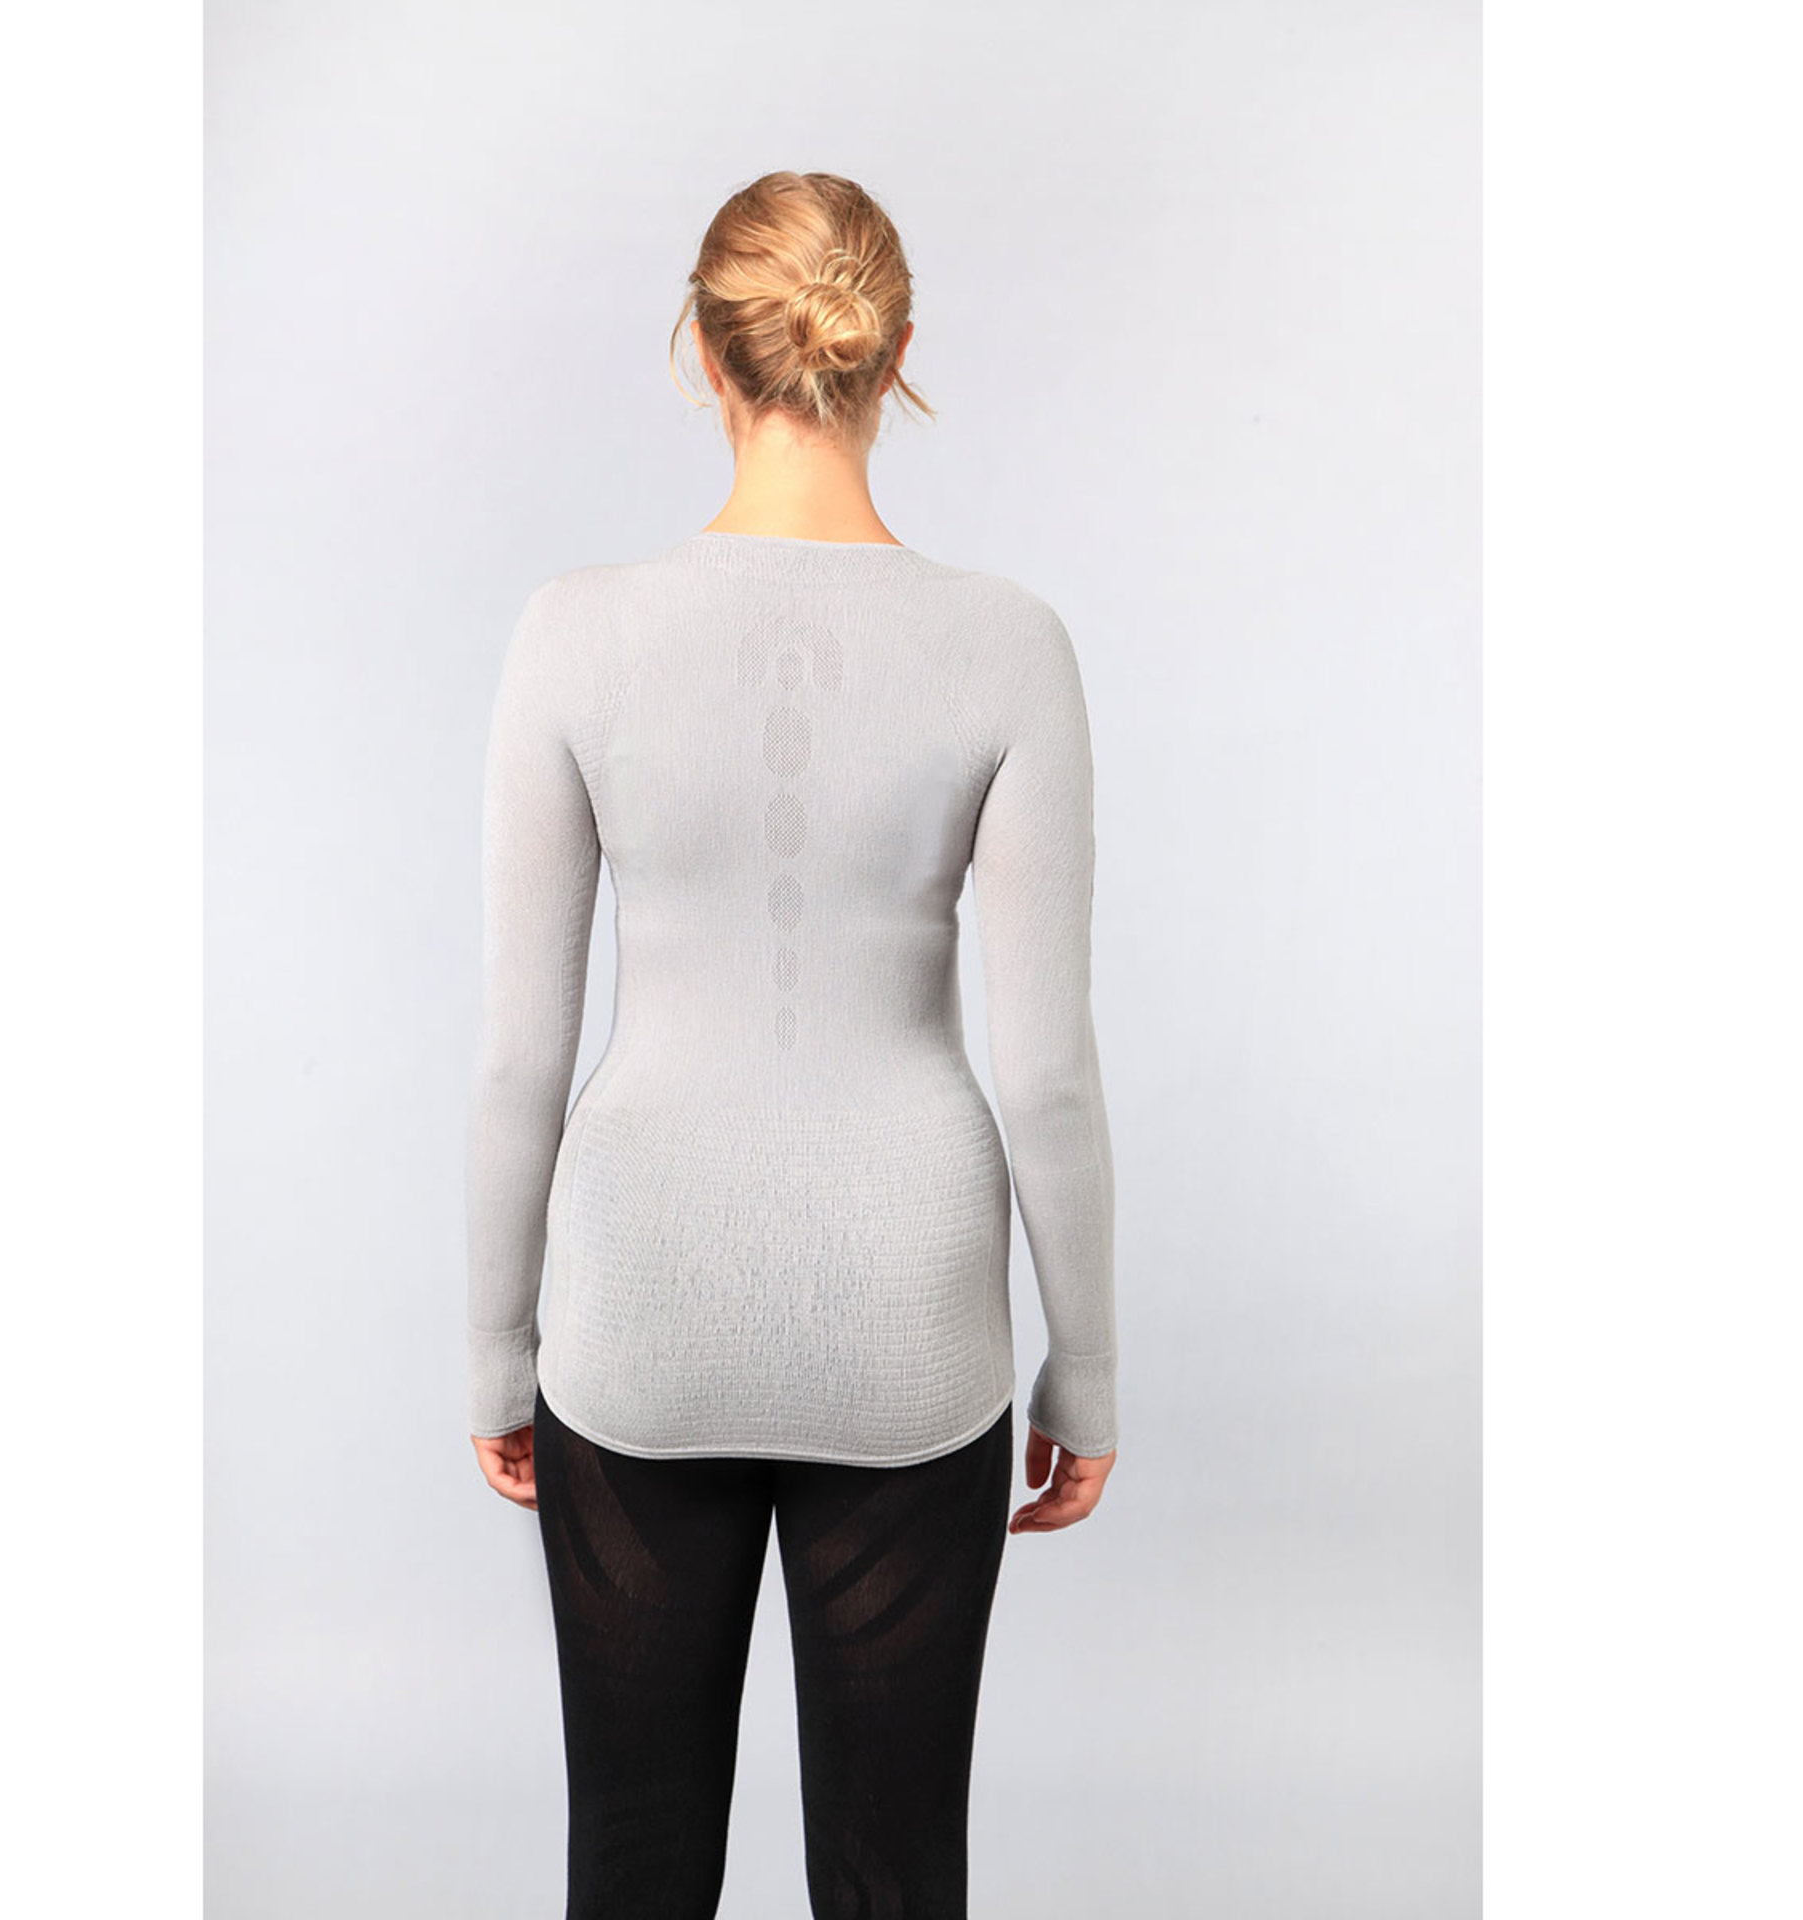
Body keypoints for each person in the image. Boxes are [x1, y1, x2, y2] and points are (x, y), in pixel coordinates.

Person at [463, 169, 1118, 1919]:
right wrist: (1088, 1371)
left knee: (635, 1864)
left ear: (702, 354)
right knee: (897, 1877)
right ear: (896, 354)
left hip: (639, 1308)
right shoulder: (1010, 647)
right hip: (911, 1318)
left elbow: (520, 1060)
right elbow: (1048, 1075)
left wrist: (495, 1354)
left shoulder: (572, 632)